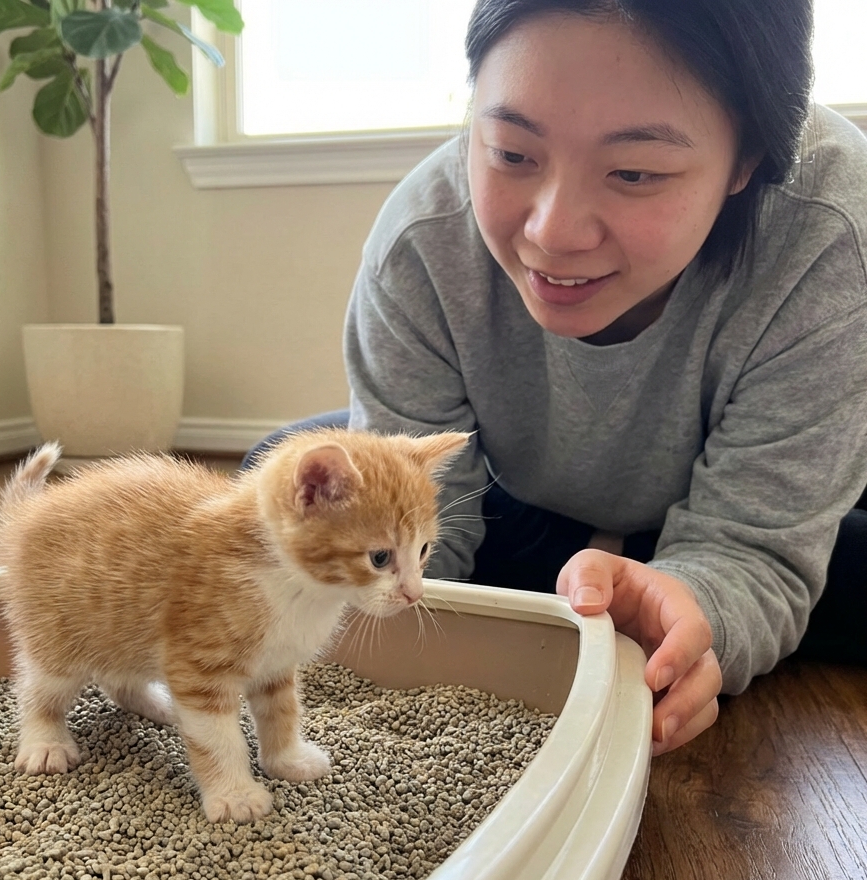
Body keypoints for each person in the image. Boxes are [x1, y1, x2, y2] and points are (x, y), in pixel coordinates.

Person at [247, 0, 867, 756]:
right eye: (512, 152)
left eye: (635, 171)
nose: (552, 232)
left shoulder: (828, 234)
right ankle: (583, 589)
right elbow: (421, 540)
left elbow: (758, 544)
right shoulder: (422, 240)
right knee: (277, 474)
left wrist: (695, 608)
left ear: (747, 161)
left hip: (748, 502)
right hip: (520, 498)